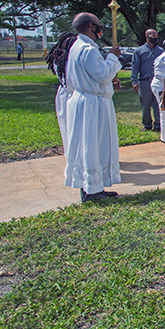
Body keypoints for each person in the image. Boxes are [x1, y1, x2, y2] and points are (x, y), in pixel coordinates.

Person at [63, 13, 122, 202]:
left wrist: (107, 86)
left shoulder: (77, 47)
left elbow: (92, 78)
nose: (100, 28)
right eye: (98, 25)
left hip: (89, 99)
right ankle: (91, 191)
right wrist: (112, 57)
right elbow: (103, 74)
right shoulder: (87, 49)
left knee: (95, 145)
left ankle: (95, 186)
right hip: (91, 105)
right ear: (90, 26)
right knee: (91, 145)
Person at [46, 32, 78, 154]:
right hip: (74, 94)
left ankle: (70, 154)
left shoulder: (57, 58)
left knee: (66, 127)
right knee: (76, 128)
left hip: (63, 94)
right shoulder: (71, 59)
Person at [130, 29, 163, 132]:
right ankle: (147, 124)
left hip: (157, 80)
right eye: (152, 36)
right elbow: (135, 66)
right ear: (147, 37)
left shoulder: (161, 51)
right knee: (145, 104)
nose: (155, 38)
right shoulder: (139, 51)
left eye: (156, 35)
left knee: (158, 103)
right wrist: (134, 81)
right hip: (144, 81)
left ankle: (158, 125)